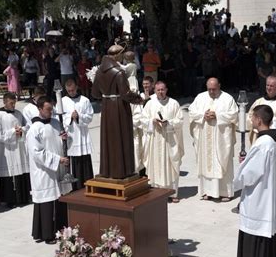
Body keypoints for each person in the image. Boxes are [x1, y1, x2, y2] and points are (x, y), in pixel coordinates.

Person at [234, 105, 276, 257]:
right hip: (269, 194)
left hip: (259, 196)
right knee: (266, 232)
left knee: (255, 230)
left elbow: (249, 174)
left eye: (252, 117)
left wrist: (240, 170)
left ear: (258, 120)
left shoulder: (263, 144)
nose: (250, 120)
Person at [91, 44, 143, 179]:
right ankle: (122, 171)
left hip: (106, 108)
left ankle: (108, 171)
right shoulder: (119, 71)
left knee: (108, 139)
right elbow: (125, 94)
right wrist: (139, 98)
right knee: (122, 137)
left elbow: (95, 93)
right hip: (119, 107)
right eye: (121, 54)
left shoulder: (99, 71)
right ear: (117, 55)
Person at [26, 96, 71, 243]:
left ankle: (60, 229)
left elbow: (63, 142)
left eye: (51, 109)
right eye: (48, 109)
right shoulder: (34, 129)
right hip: (44, 171)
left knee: (59, 200)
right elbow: (36, 153)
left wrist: (65, 139)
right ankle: (47, 234)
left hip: (58, 168)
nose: (51, 112)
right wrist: (57, 159)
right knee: (47, 202)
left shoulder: (56, 123)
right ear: (39, 109)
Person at [189, 78, 238, 201]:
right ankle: (207, 191)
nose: (211, 92)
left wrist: (218, 115)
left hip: (221, 139)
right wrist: (202, 115)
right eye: (209, 89)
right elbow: (191, 112)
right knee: (206, 163)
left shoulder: (227, 99)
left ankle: (225, 193)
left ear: (219, 86)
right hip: (204, 138)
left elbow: (234, 115)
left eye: (214, 89)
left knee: (222, 162)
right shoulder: (200, 97)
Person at [141, 81, 184, 202]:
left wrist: (168, 123)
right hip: (155, 139)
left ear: (166, 90)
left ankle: (172, 193)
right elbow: (143, 119)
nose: (160, 92)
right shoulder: (150, 104)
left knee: (170, 164)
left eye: (162, 89)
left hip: (170, 141)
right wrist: (152, 121)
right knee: (156, 164)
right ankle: (156, 192)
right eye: (158, 90)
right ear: (154, 91)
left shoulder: (174, 103)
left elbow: (180, 121)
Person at [0, 93, 31, 207]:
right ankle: (10, 199)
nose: (13, 105)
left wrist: (21, 130)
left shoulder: (18, 113)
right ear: (4, 102)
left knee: (22, 172)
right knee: (9, 174)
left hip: (19, 148)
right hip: (7, 150)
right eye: (11, 103)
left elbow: (27, 126)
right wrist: (14, 132)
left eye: (14, 102)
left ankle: (23, 197)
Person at [59, 79, 94, 190]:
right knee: (73, 161)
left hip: (82, 135)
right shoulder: (62, 101)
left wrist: (79, 116)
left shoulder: (85, 100)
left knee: (85, 160)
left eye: (73, 90)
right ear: (66, 90)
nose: (71, 92)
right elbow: (59, 118)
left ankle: (88, 183)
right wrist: (70, 117)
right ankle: (75, 187)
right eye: (69, 91)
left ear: (77, 87)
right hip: (71, 136)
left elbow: (90, 117)